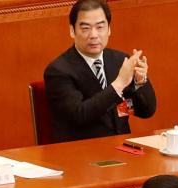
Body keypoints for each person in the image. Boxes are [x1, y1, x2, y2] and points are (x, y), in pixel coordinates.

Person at [44, 0, 156, 142]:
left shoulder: (120, 60)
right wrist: (120, 83)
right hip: (79, 154)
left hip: (122, 149)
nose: (94, 35)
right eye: (85, 28)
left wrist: (140, 82)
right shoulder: (58, 71)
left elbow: (147, 111)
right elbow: (80, 115)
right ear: (72, 31)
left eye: (100, 27)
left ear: (109, 29)